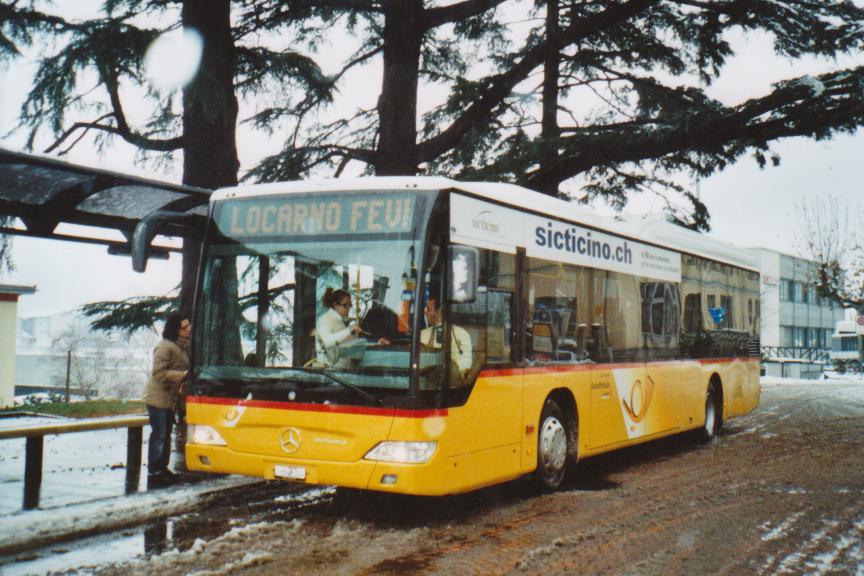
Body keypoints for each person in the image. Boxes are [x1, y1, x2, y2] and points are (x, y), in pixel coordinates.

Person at [142, 313, 190, 487]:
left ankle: (162, 469)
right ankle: (154, 471)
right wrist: (183, 375)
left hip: (169, 400)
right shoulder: (165, 347)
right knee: (160, 435)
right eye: (184, 327)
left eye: (187, 326)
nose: (188, 330)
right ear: (175, 329)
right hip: (157, 399)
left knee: (165, 435)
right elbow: (159, 373)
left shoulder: (180, 347)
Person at [420, 298, 473, 375]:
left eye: (428, 309)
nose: (425, 313)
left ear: (439, 311)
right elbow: (465, 366)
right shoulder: (463, 333)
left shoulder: (422, 334)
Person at [315, 288, 364, 367]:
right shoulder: (325, 320)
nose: (348, 309)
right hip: (329, 372)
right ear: (335, 305)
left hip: (341, 372)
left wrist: (374, 344)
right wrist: (348, 330)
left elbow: (347, 344)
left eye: (350, 305)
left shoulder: (340, 322)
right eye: (345, 305)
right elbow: (325, 342)